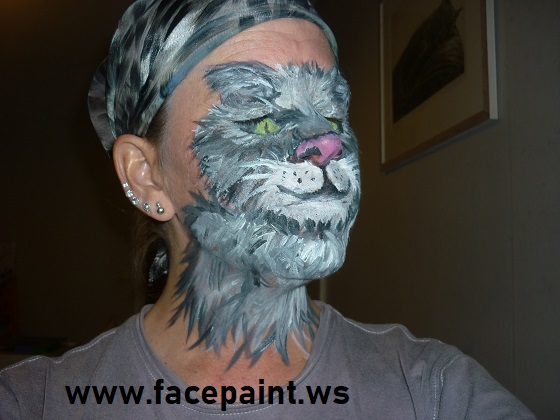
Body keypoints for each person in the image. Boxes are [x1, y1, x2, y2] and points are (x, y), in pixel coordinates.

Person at [0, 0, 535, 418]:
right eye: (260, 117)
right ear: (147, 174)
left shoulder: (435, 389)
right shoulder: (36, 403)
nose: (327, 144)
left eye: (333, 114)